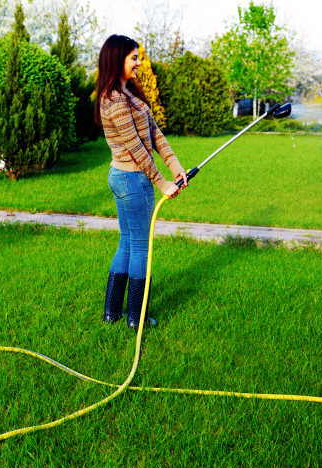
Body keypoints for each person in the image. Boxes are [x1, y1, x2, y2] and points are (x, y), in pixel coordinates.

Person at [95, 34, 187, 329]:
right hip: (131, 179)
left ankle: (112, 313)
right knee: (140, 246)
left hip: (125, 178)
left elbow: (155, 133)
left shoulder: (127, 94)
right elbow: (136, 148)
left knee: (127, 242)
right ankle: (136, 317)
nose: (139, 63)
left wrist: (175, 166)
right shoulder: (115, 100)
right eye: (133, 58)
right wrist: (162, 183)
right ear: (117, 59)